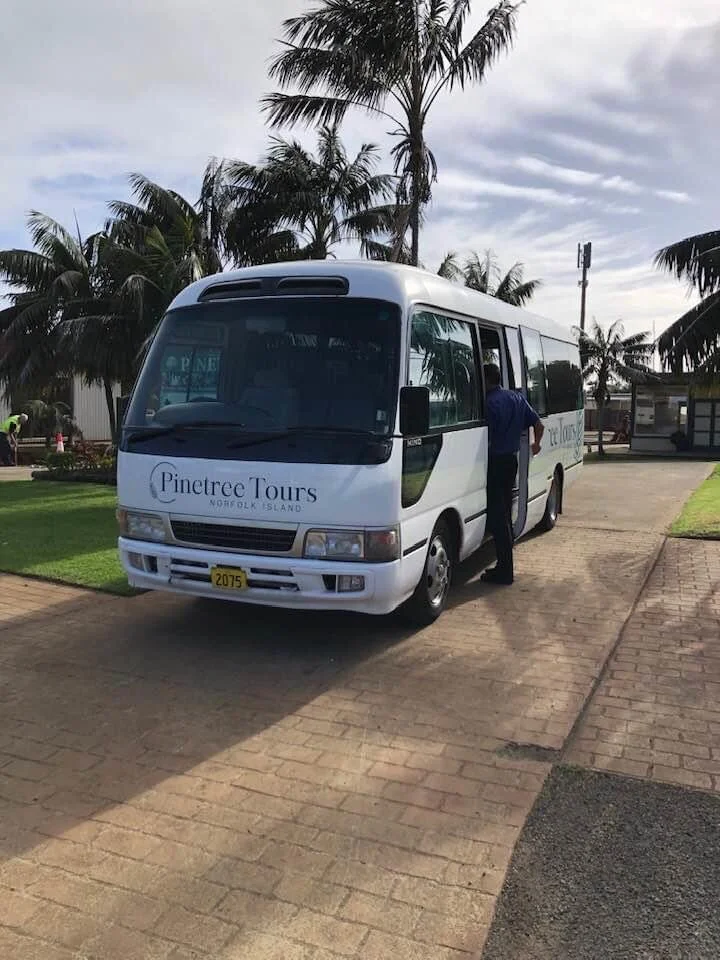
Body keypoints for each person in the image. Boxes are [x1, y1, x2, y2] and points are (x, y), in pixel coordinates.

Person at [482, 364, 544, 585]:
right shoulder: (516, 398)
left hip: (495, 463)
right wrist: (536, 445)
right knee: (506, 514)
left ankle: (505, 572)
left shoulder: (489, 403)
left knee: (499, 519)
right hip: (511, 462)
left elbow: (485, 438)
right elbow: (539, 424)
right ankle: (503, 566)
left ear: (487, 380)